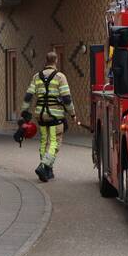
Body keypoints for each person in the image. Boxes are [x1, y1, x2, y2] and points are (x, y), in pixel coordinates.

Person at [20, 51, 79, 182]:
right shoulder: (60, 77)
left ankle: (48, 170)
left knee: (44, 141)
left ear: (46, 61)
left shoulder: (37, 76)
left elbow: (28, 96)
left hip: (41, 115)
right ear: (56, 61)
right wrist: (73, 114)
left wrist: (24, 111)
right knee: (54, 142)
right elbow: (67, 98)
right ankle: (43, 166)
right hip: (55, 116)